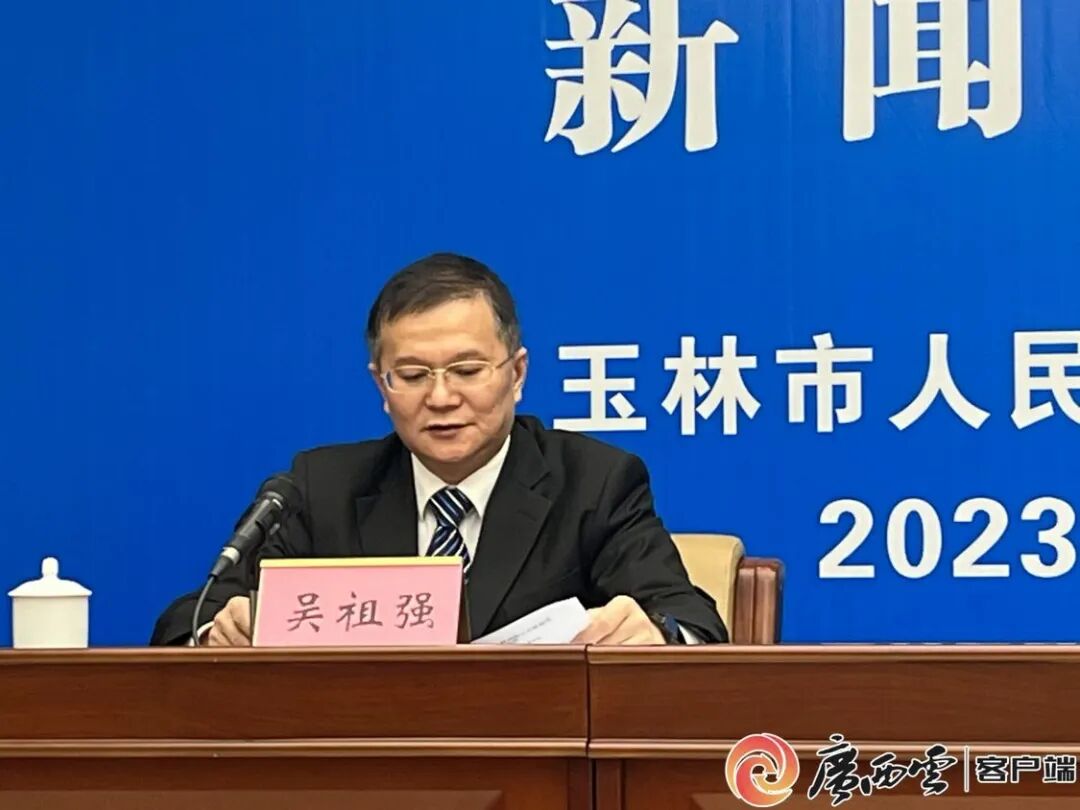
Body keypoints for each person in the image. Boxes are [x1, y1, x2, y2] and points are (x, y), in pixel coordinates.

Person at [150, 253, 727, 646]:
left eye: (467, 370)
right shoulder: (318, 490)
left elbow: (693, 619)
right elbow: (185, 619)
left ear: (517, 374)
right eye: (412, 375)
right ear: (382, 386)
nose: (442, 397)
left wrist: (657, 634)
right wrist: (219, 630)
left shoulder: (595, 482)